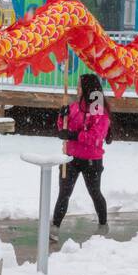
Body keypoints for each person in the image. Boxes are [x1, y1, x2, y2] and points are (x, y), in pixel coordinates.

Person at [50, 73, 112, 242]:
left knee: (95, 193)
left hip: (92, 160)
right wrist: (62, 116)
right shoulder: (74, 108)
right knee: (64, 193)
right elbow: (63, 129)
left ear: (87, 89)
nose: (76, 89)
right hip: (70, 159)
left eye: (79, 86)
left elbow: (95, 136)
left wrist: (74, 135)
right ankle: (54, 227)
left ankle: (103, 224)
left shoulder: (98, 109)